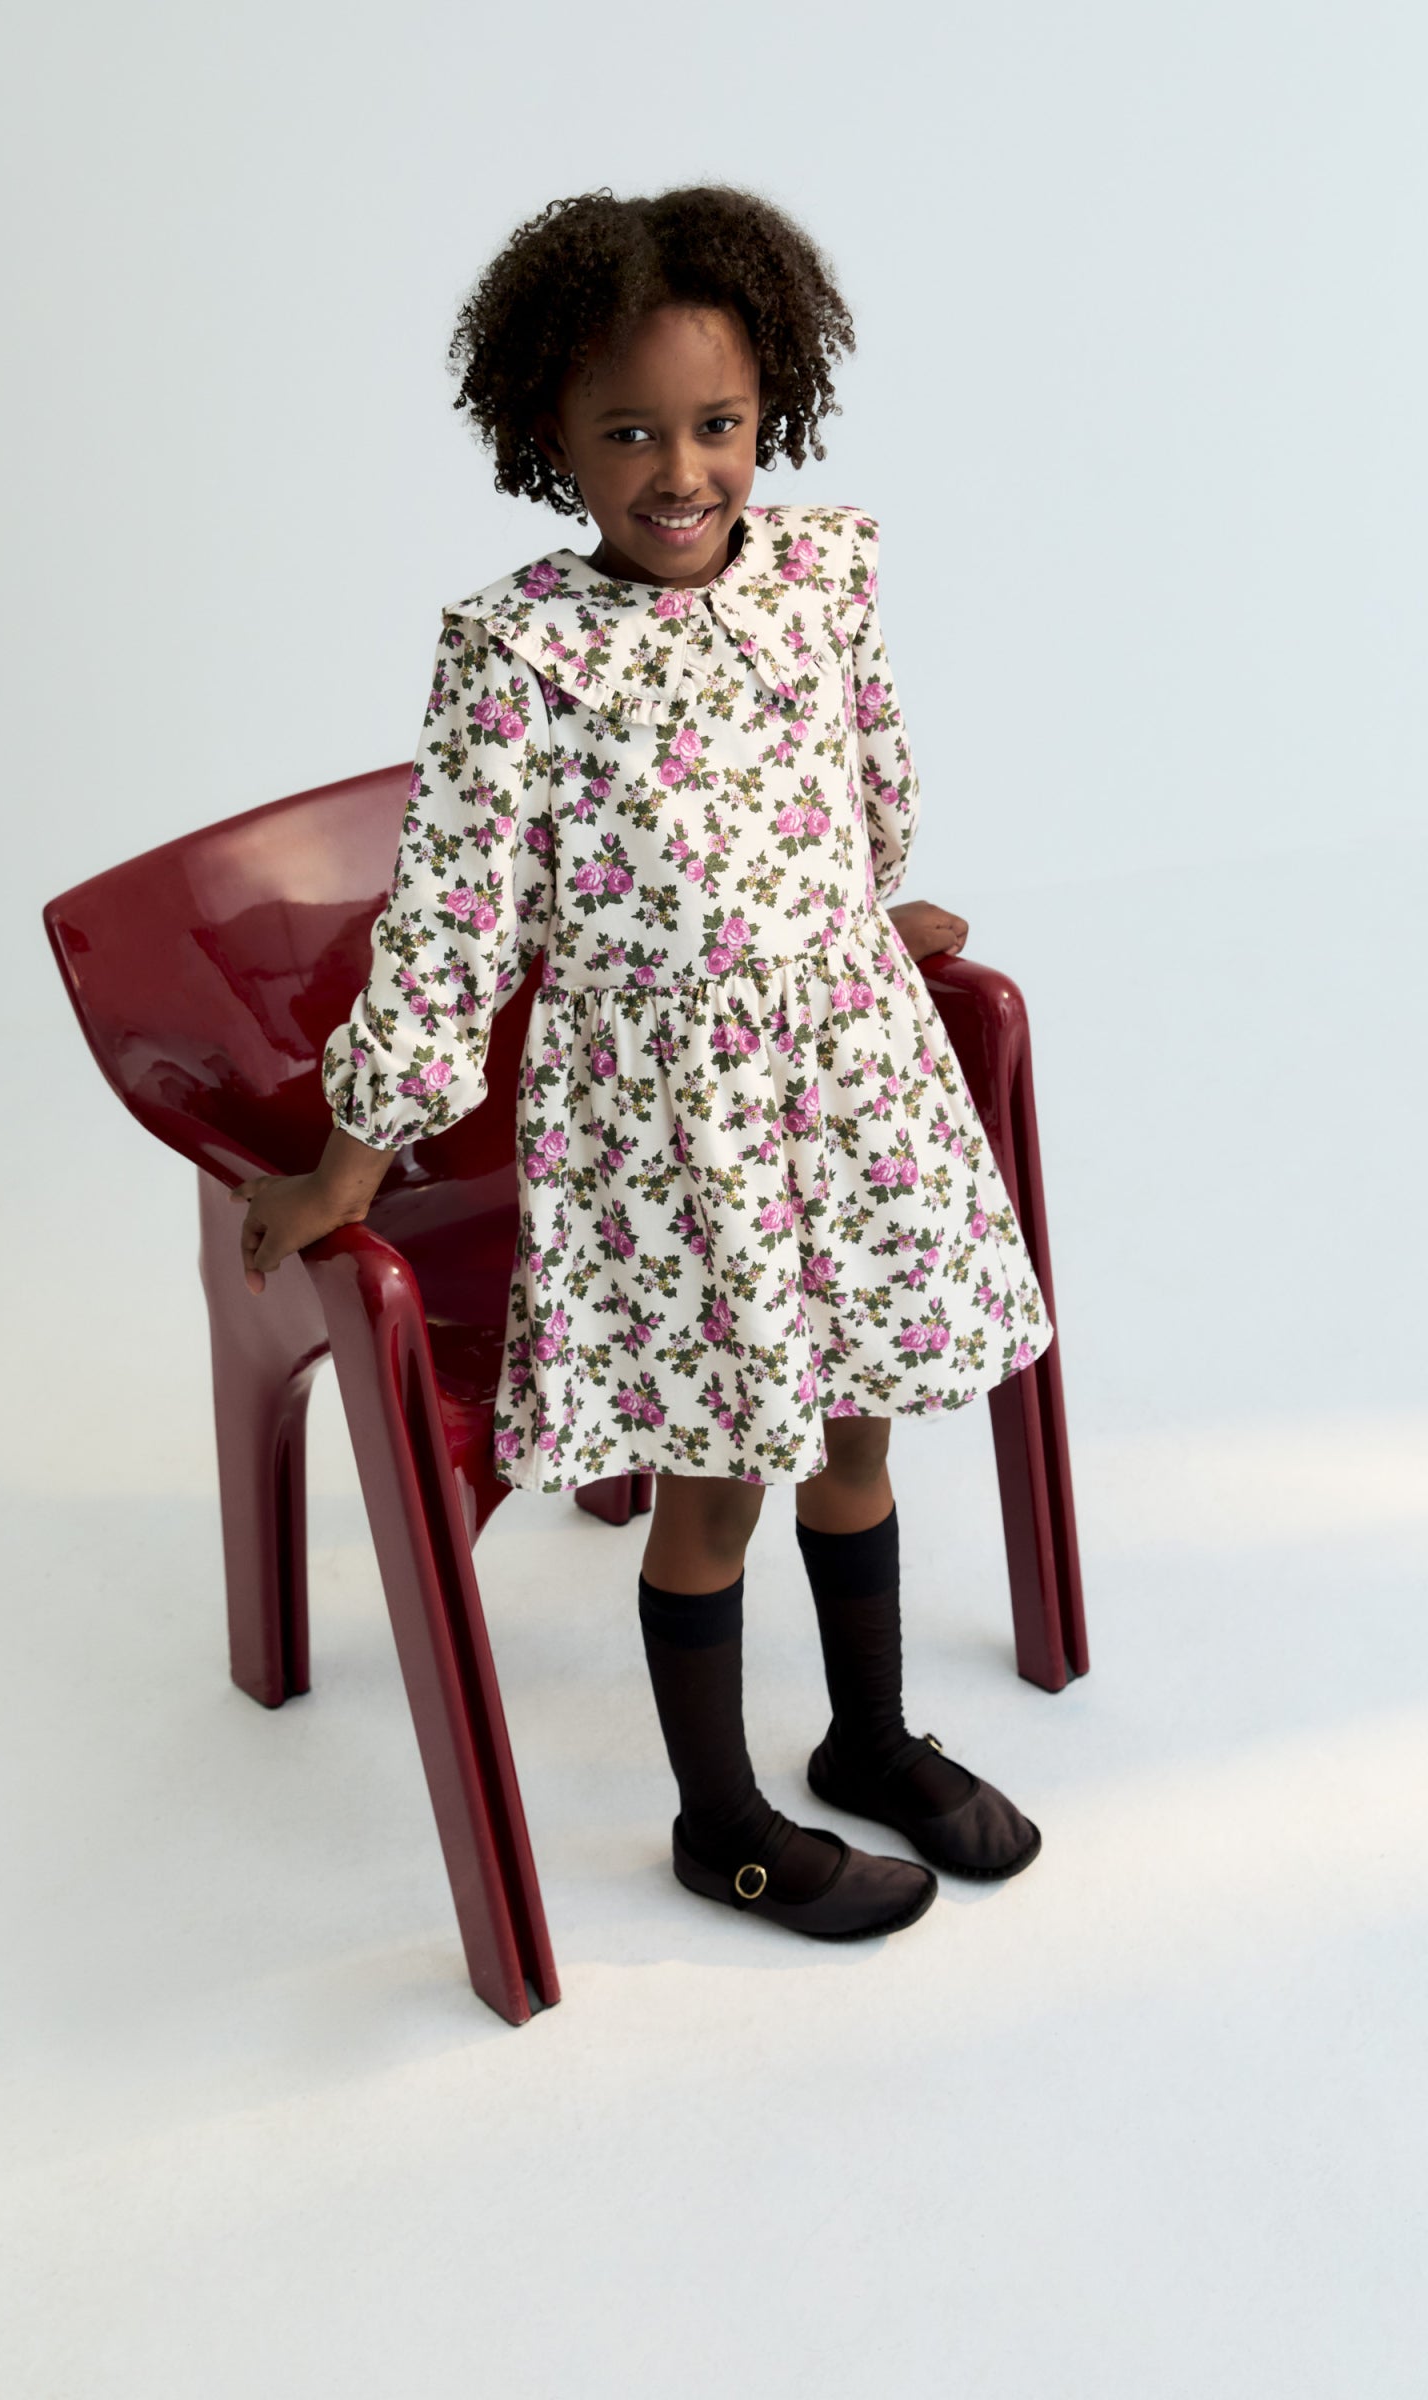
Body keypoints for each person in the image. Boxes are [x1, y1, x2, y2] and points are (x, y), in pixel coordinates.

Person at [232, 186, 1055, 1942]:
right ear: (553, 436)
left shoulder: (819, 579)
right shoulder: (523, 655)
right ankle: (722, 1822)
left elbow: (868, 776)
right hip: (677, 1135)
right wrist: (351, 1160)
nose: (681, 473)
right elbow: (453, 926)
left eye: (718, 425)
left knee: (856, 1423)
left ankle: (868, 1734)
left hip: (848, 1083)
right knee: (719, 1470)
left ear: (773, 414)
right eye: (629, 433)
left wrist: (850, 910)